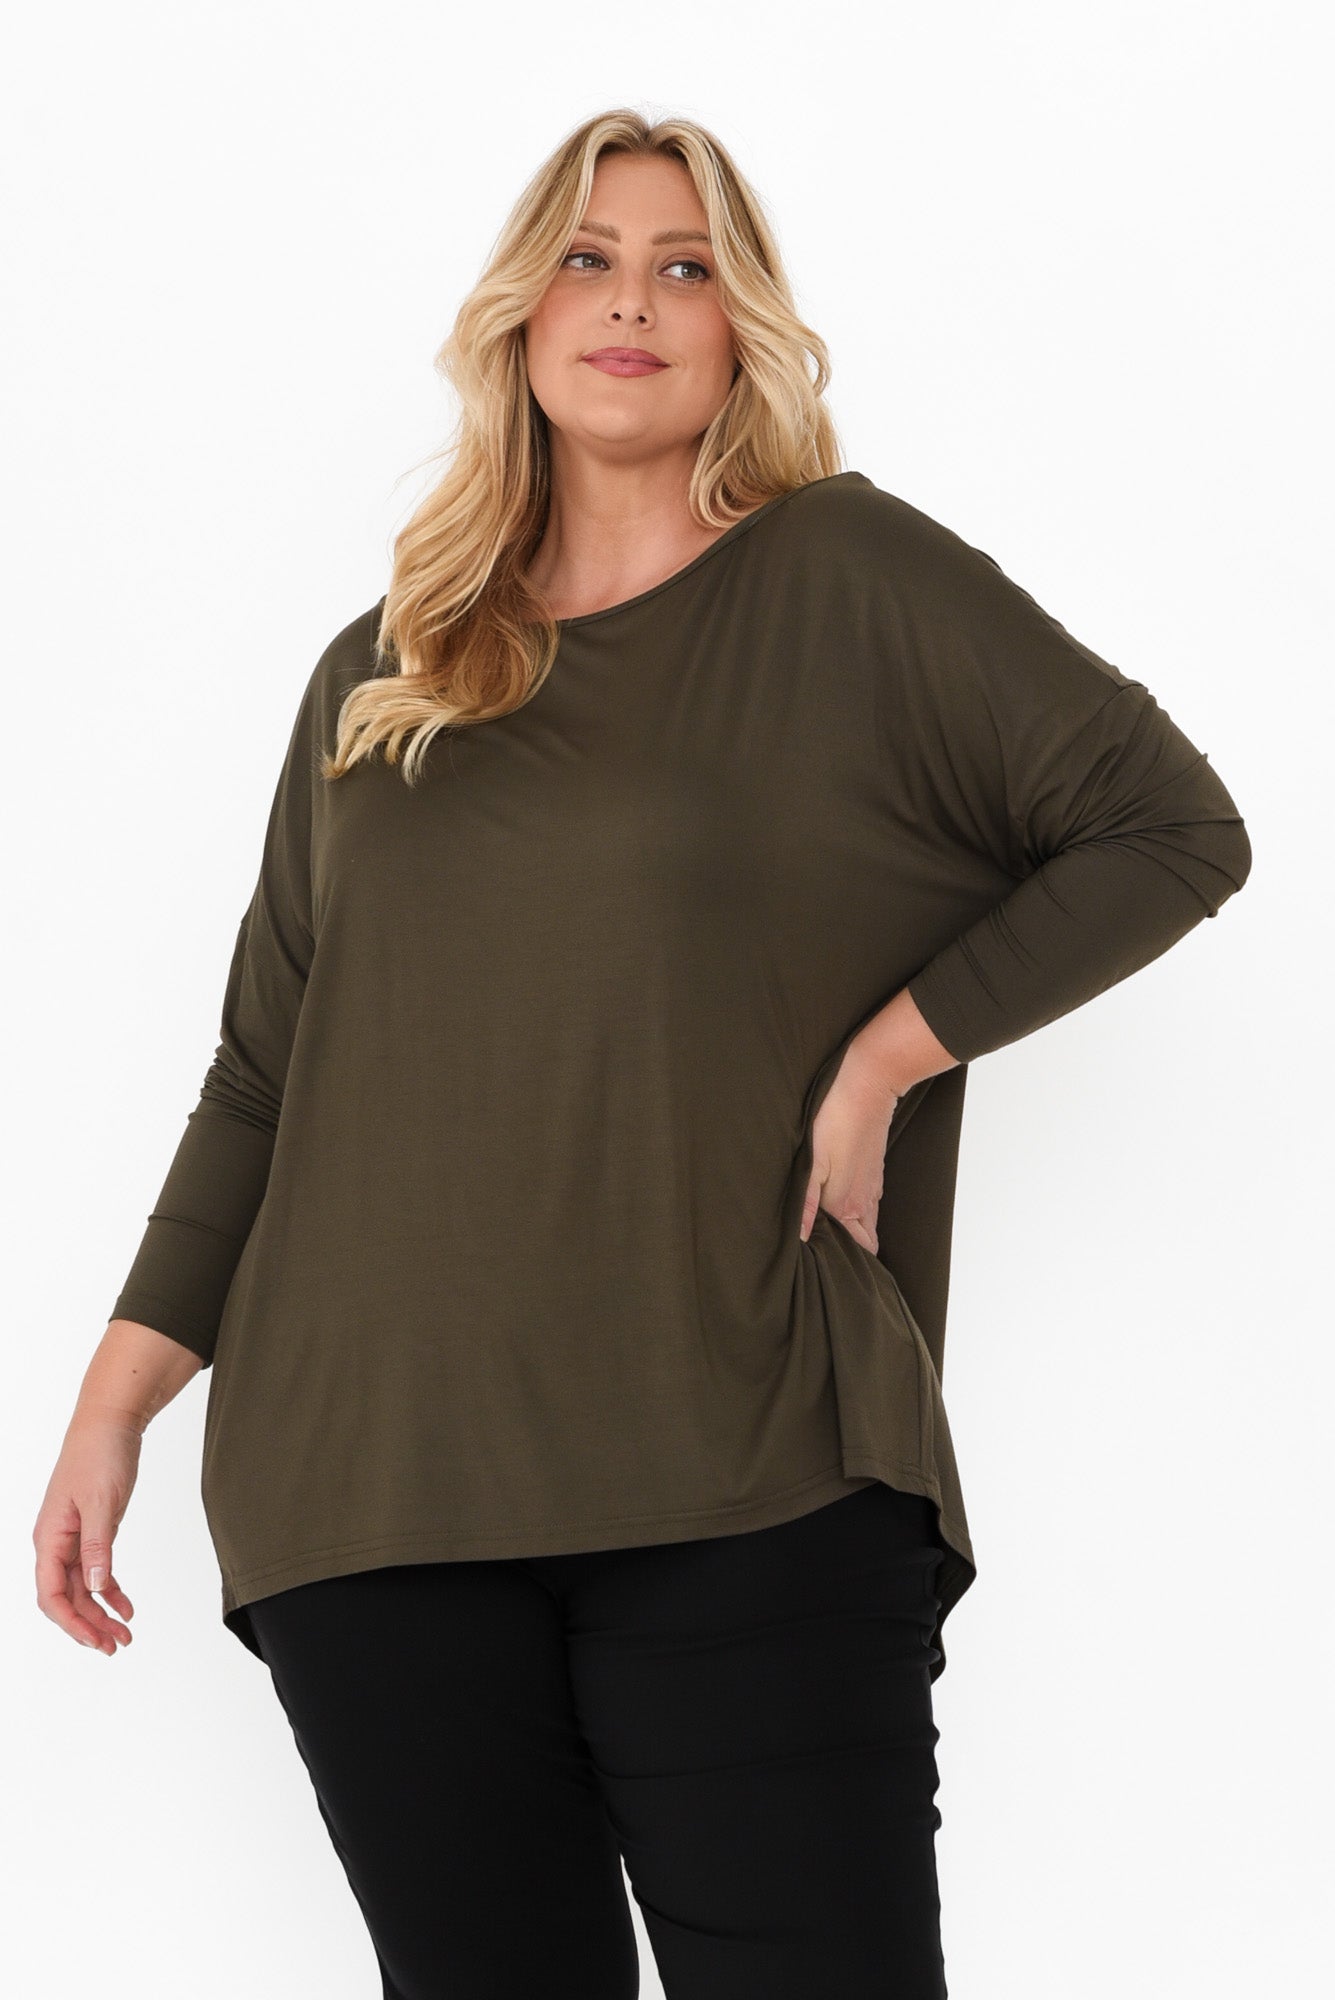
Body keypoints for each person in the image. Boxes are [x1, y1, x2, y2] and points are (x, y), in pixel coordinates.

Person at [34, 109, 1252, 2000]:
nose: (631, 302)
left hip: (746, 1456)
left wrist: (891, 1055)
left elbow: (1171, 827)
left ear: (739, 323)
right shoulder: (386, 670)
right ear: (518, 319)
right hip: (372, 1486)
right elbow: (266, 1072)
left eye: (684, 267)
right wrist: (117, 1404)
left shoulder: (846, 581)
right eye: (588, 262)